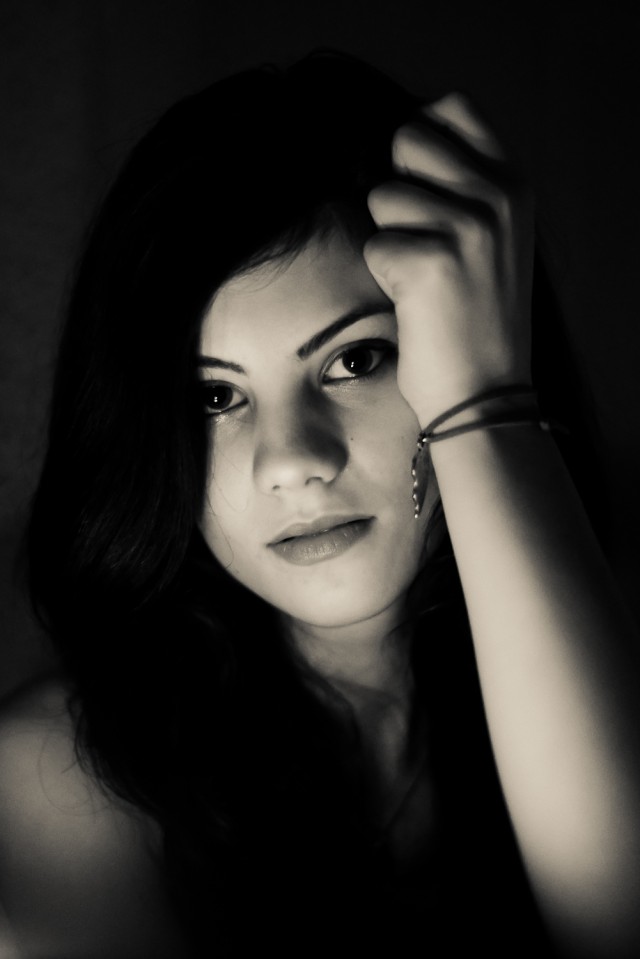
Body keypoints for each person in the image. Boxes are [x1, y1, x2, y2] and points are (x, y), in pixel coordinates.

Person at [1, 50, 639, 958]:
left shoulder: (611, 656)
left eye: (355, 360)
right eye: (214, 396)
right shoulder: (53, 779)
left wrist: (488, 401)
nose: (292, 462)